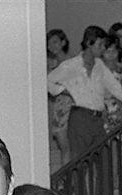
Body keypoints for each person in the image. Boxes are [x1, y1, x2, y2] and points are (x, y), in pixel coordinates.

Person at [48, 25, 122, 159]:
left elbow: (117, 89)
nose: (103, 48)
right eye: (100, 44)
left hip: (97, 117)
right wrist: (63, 90)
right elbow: (47, 81)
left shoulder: (100, 65)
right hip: (79, 115)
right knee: (78, 159)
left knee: (102, 157)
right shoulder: (71, 65)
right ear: (89, 43)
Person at [47, 29, 74, 166]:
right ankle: (67, 180)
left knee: (69, 146)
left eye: (55, 42)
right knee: (63, 145)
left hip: (71, 106)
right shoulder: (50, 65)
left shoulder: (71, 63)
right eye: (49, 43)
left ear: (63, 42)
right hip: (59, 107)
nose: (52, 46)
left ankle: (71, 180)